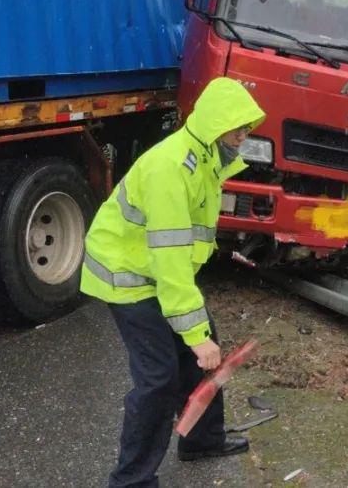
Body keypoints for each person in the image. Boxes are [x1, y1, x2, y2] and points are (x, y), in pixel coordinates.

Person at [80, 76, 266, 488]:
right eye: (238, 129)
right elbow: (170, 261)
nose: (244, 137)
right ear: (216, 127)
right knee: (159, 378)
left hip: (154, 270)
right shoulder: (171, 168)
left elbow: (178, 256)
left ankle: (201, 440)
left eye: (246, 129)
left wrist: (198, 335)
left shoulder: (205, 160)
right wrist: (194, 336)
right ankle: (131, 480)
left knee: (203, 350)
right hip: (127, 276)